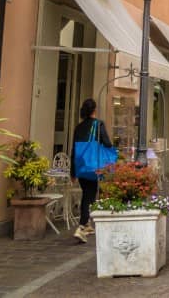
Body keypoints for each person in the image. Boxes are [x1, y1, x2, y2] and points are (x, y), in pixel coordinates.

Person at [70, 98, 112, 244]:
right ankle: (81, 227)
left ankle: (87, 225)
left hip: (81, 166)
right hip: (93, 166)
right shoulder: (98, 124)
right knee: (89, 195)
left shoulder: (79, 127)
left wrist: (73, 172)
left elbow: (74, 150)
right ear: (94, 110)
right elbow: (107, 143)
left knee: (86, 194)